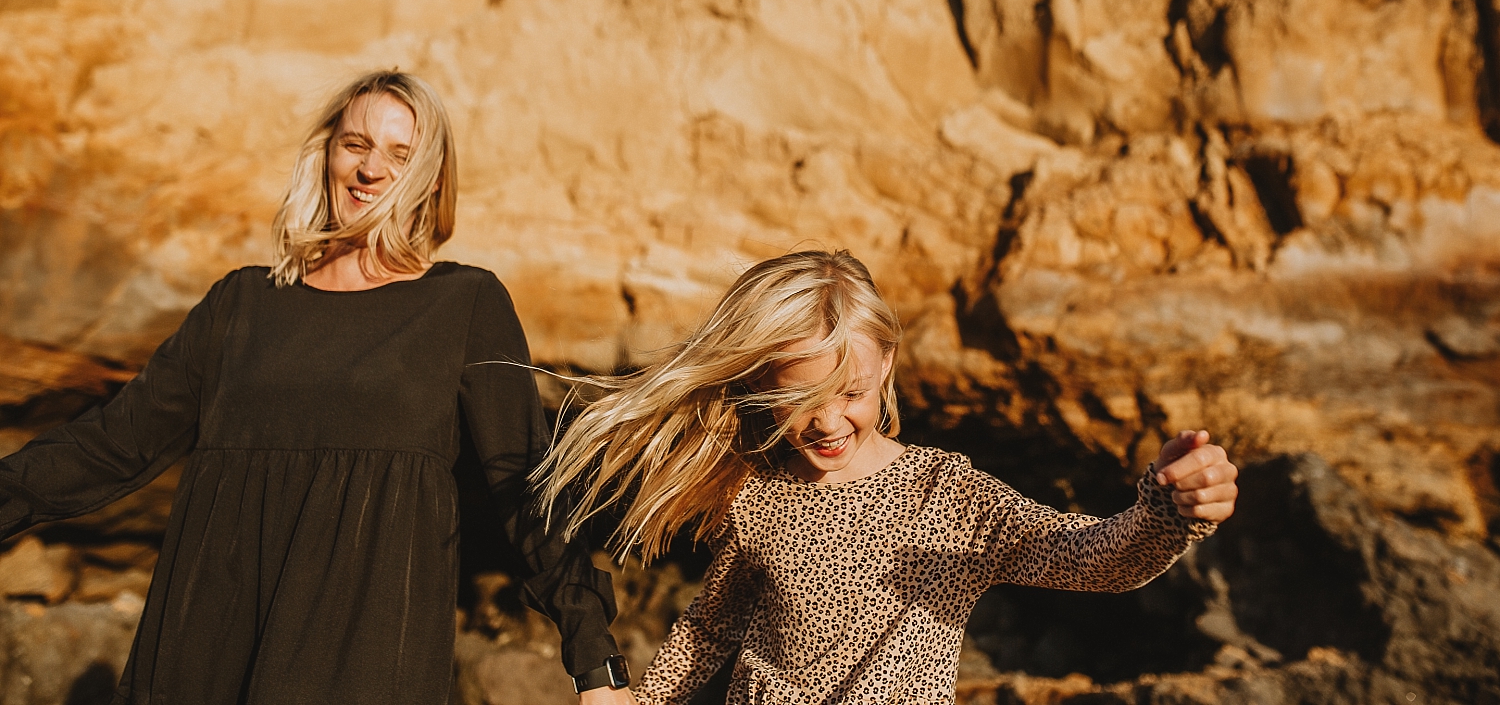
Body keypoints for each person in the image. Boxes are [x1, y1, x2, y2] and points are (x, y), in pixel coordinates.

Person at [0, 71, 633, 704]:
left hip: (364, 662)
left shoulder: (464, 305)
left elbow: (523, 482)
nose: (370, 170)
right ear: (327, 151)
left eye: (399, 154)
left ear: (432, 180)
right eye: (355, 144)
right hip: (204, 653)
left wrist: (594, 658)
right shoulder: (240, 306)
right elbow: (111, 447)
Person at [537, 249, 1239, 705]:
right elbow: (709, 630)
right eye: (796, 401)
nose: (826, 422)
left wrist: (1169, 513)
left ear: (888, 369)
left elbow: (1095, 559)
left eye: (851, 393)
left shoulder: (948, 495)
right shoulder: (760, 497)